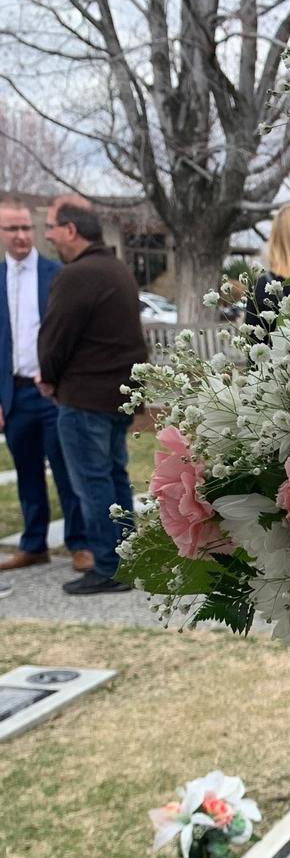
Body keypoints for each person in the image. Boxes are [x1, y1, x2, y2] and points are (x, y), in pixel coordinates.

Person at [38, 199, 148, 596]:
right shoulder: (116, 269)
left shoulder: (78, 275)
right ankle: (126, 559)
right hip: (115, 397)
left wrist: (47, 377)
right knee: (114, 478)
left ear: (70, 230)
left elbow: (56, 338)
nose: (47, 235)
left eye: (50, 226)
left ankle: (108, 565)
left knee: (93, 483)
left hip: (85, 398)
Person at [0, 194, 90, 573]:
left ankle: (80, 544)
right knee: (27, 472)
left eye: (26, 227)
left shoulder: (56, 275)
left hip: (51, 394)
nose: (22, 235)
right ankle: (33, 543)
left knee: (66, 470)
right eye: (13, 228)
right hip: (14, 395)